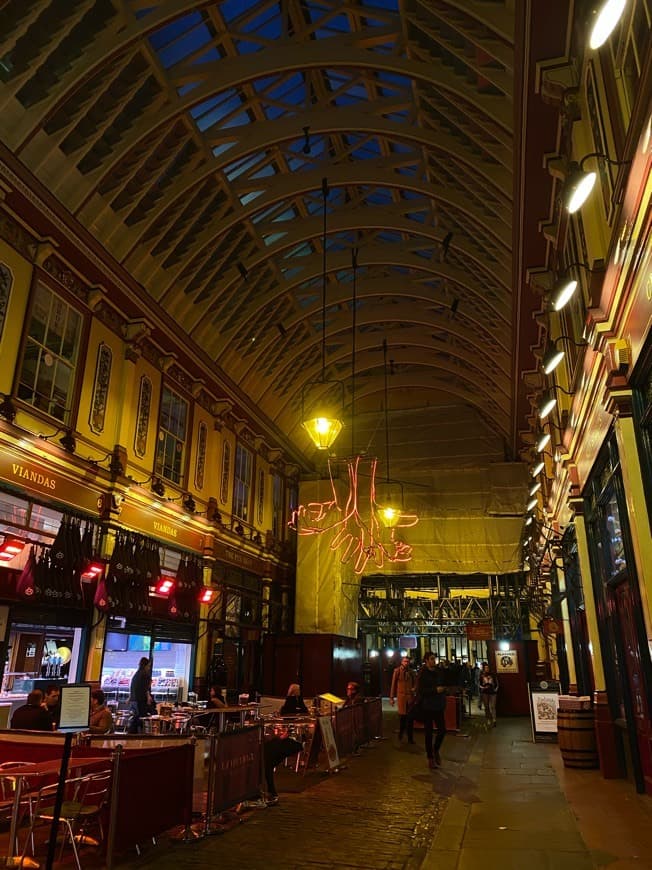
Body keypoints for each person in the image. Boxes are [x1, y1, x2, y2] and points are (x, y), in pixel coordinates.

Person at [414, 652, 448, 769]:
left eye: (435, 659)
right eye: (432, 659)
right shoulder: (423, 674)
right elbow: (421, 691)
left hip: (439, 705)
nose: (434, 661)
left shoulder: (439, 671)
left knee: (442, 730)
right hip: (427, 706)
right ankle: (430, 758)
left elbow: (444, 683)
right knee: (428, 732)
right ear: (426, 660)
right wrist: (435, 690)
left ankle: (435, 749)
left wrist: (443, 690)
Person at [390, 655, 416, 743]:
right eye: (405, 661)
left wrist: (414, 688)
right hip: (401, 697)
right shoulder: (397, 671)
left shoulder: (411, 672)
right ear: (402, 662)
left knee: (410, 718)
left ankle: (410, 738)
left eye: (407, 662)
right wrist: (391, 697)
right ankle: (401, 734)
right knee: (402, 718)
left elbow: (415, 682)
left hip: (409, 697)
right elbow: (393, 684)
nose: (406, 663)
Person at [128, 656, 152, 733]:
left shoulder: (136, 674)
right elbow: (146, 688)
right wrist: (148, 697)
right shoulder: (145, 675)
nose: (149, 668)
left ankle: (131, 735)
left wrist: (130, 698)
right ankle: (139, 736)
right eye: (148, 666)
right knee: (140, 719)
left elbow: (133, 687)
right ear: (145, 665)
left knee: (135, 719)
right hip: (140, 701)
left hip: (133, 700)